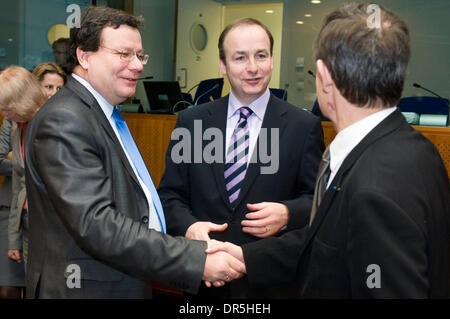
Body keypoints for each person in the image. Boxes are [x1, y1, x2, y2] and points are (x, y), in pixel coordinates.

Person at [207, 2, 450, 298]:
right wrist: (249, 258)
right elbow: (331, 243)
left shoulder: (375, 188)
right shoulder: (416, 150)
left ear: (323, 75)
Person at [23, 6, 243, 299]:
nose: (137, 65)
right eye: (123, 54)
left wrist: (182, 233)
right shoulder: (65, 119)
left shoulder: (103, 113)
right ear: (84, 56)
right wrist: (194, 259)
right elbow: (97, 224)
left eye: (140, 55)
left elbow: (130, 208)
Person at [158, 17, 324, 298]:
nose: (252, 68)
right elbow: (169, 196)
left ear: (272, 59)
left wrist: (287, 213)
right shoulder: (192, 122)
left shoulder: (303, 127)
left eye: (261, 55)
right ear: (222, 65)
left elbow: (318, 202)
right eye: (240, 58)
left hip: (270, 285)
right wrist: (188, 226)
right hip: (205, 280)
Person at [0, 67, 48, 278]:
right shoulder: (17, 129)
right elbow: (18, 186)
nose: (4, 114)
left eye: (7, 108)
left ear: (24, 100)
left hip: (52, 226)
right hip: (28, 223)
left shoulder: (51, 124)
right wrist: (14, 238)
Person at [0, 117, 25, 299]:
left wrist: (14, 155)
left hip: (46, 217)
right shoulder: (12, 118)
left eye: (58, 87)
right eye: (48, 86)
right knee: (7, 288)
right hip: (9, 211)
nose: (52, 92)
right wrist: (23, 161)